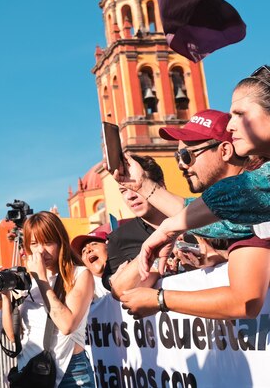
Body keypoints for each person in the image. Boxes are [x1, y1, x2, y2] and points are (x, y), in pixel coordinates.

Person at [116, 109, 270, 320]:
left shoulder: (253, 203)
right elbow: (196, 211)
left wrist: (160, 299)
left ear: (225, 150)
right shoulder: (234, 209)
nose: (180, 164)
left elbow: (244, 302)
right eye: (177, 156)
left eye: (187, 155)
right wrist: (142, 185)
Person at [137, 66, 270, 274]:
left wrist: (159, 299)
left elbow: (244, 192)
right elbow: (224, 221)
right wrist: (142, 186)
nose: (230, 126)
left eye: (240, 114)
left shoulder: (252, 189)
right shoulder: (247, 205)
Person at [0, 212, 95, 388]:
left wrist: (42, 280)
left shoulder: (79, 275)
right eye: (34, 244)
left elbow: (67, 325)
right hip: (31, 372)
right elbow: (13, 336)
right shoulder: (27, 280)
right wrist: (6, 296)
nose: (41, 251)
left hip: (70, 373)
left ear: (61, 242)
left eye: (48, 242)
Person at [102, 155, 169, 299]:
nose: (130, 196)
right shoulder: (119, 238)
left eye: (136, 186)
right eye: (123, 190)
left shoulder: (193, 221)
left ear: (161, 185)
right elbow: (116, 287)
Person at [70, 230, 109, 301]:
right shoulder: (81, 286)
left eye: (94, 244)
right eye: (83, 250)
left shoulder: (131, 271)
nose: (88, 250)